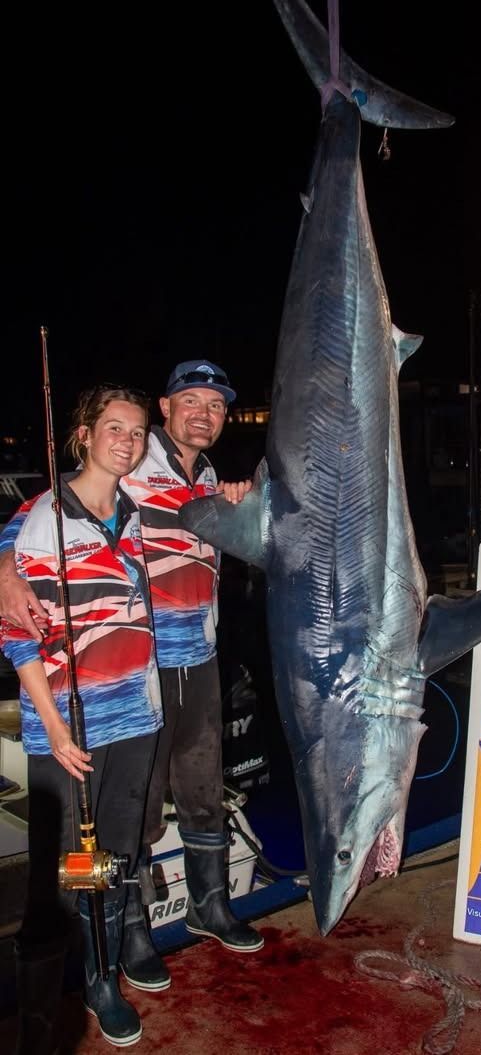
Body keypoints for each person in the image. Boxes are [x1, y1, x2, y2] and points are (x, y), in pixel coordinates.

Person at [0, 359, 264, 1000]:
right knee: (127, 818)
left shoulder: (206, 475)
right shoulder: (128, 467)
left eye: (217, 406)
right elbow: (32, 524)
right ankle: (130, 938)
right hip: (126, 675)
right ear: (165, 408)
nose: (205, 414)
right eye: (190, 401)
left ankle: (207, 906)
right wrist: (5, 573)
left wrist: (243, 506)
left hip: (194, 656)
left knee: (201, 789)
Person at [1, 385, 162, 1052]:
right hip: (73, 732)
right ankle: (40, 1020)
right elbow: (15, 635)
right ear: (84, 435)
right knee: (68, 871)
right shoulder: (40, 520)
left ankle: (101, 976)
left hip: (138, 718)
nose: (127, 439)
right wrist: (55, 727)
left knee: (116, 855)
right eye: (114, 427)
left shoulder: (134, 509)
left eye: (138, 429)